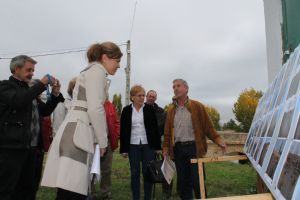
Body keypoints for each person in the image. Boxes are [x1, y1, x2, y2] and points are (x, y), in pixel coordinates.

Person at [41, 41, 123, 200]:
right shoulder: (97, 71)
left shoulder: (91, 71)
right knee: (73, 188)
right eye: (117, 61)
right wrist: (103, 141)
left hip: (76, 131)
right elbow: (95, 108)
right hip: (78, 134)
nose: (119, 65)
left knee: (68, 187)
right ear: (105, 58)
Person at [0, 55, 63, 200]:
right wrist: (41, 84)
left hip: (33, 150)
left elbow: (45, 111)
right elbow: (18, 101)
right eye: (29, 70)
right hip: (11, 150)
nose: (32, 73)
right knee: (7, 190)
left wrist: (55, 94)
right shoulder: (5, 86)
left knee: (29, 190)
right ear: (16, 69)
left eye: (33, 70)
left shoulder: (30, 92)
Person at [162, 79, 227, 200]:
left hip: (194, 148)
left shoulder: (198, 106)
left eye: (178, 86)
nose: (175, 88)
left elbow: (209, 128)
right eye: (173, 87)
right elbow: (167, 133)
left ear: (186, 88)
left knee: (198, 181)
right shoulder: (171, 111)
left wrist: (219, 140)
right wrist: (166, 147)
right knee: (183, 183)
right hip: (178, 150)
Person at [120, 85, 161, 200]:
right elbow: (123, 131)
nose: (142, 98)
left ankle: (148, 197)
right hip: (133, 146)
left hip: (148, 146)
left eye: (143, 95)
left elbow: (155, 129)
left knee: (148, 173)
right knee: (134, 173)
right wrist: (124, 149)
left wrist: (157, 147)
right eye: (139, 95)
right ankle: (136, 197)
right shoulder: (126, 110)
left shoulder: (149, 109)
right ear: (132, 97)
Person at [145, 90, 172, 199]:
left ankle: (166, 193)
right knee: (149, 168)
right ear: (147, 97)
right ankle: (149, 192)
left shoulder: (162, 112)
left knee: (166, 168)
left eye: (153, 97)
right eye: (150, 96)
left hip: (160, 144)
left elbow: (166, 130)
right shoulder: (140, 110)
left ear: (156, 98)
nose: (151, 98)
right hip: (145, 144)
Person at [98, 99, 120, 200]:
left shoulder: (110, 105)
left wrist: (116, 134)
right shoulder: (90, 102)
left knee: (106, 169)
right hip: (93, 141)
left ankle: (105, 192)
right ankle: (91, 192)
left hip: (108, 141)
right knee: (91, 169)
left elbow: (116, 122)